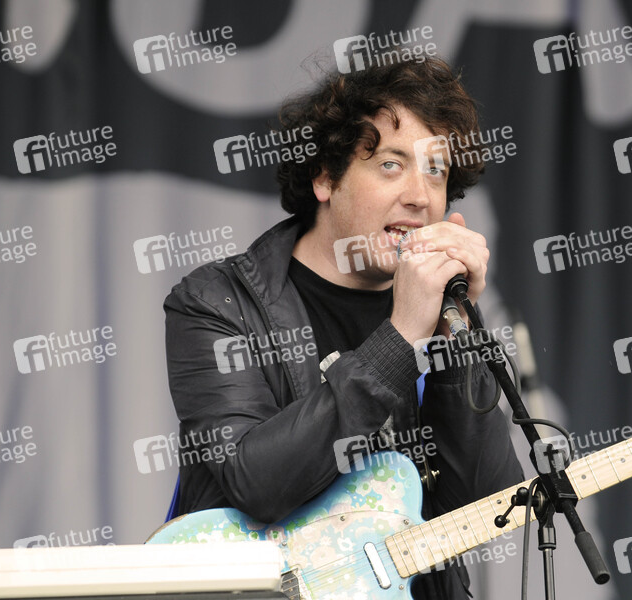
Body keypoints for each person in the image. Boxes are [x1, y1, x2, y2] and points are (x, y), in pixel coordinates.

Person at [163, 53, 523, 599]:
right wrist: (400, 339)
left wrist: (456, 341)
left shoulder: (441, 310)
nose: (420, 196)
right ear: (325, 177)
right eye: (391, 165)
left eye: (436, 171)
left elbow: (486, 507)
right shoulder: (218, 302)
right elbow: (255, 483)